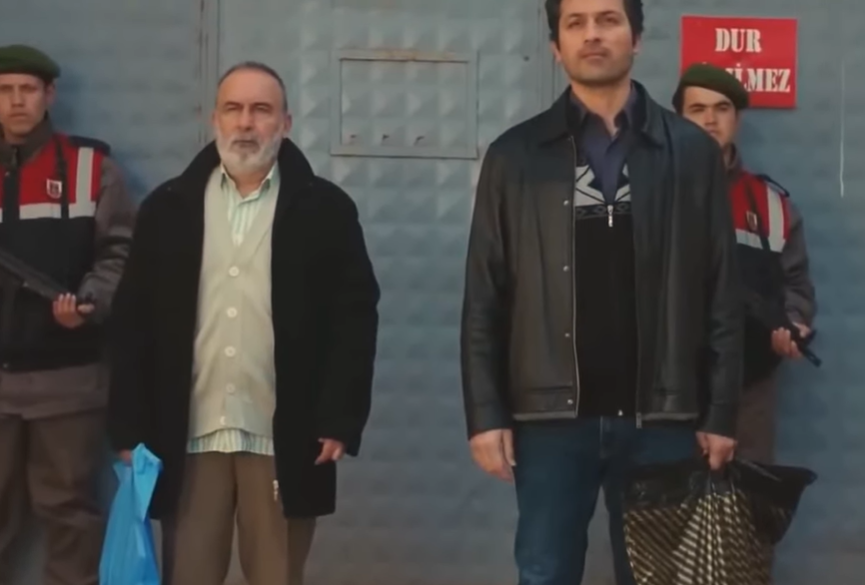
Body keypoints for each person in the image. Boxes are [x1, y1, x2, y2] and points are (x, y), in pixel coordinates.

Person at [459, 1, 743, 584]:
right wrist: (485, 415)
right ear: (555, 47)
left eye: (609, 19)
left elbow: (721, 289)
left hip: (663, 418)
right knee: (545, 572)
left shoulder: (690, 152)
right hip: (550, 422)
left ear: (636, 38)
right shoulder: (515, 157)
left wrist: (720, 412)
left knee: (660, 577)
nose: (593, 34)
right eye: (576, 22)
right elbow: (485, 296)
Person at [106, 61, 380, 585]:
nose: (246, 123)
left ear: (286, 122)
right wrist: (129, 426)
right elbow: (133, 322)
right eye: (233, 109)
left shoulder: (325, 209)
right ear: (214, 119)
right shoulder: (168, 208)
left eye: (261, 110)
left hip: (283, 437)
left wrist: (340, 417)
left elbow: (353, 320)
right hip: (189, 434)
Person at [0, 44, 136, 585]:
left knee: (69, 516)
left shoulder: (92, 169)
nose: (16, 101)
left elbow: (121, 252)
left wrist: (90, 303)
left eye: (27, 89)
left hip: (70, 384)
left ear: (49, 95)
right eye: (5, 90)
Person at [673, 63, 817, 463]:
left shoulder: (772, 206)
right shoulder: (650, 193)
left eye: (721, 108)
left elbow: (797, 286)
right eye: (697, 109)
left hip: (748, 390)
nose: (710, 119)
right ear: (678, 120)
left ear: (737, 120)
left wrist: (794, 323)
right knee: (665, 499)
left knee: (747, 498)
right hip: (665, 390)